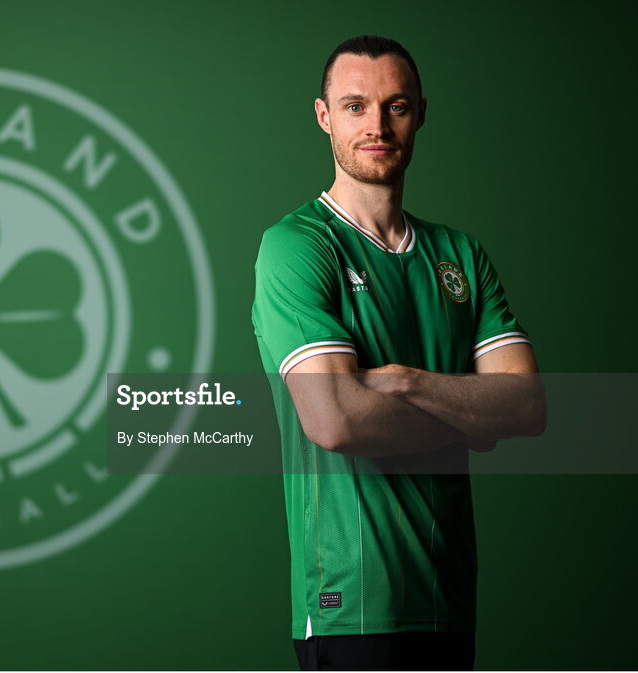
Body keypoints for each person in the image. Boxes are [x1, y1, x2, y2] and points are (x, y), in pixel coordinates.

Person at [251, 35, 546, 671]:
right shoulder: (298, 246)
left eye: (397, 106)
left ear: (420, 114)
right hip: (351, 602)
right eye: (355, 106)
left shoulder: (460, 255)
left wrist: (409, 381)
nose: (377, 126)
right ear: (324, 116)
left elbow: (525, 404)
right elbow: (335, 420)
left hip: (449, 596)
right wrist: (474, 417)